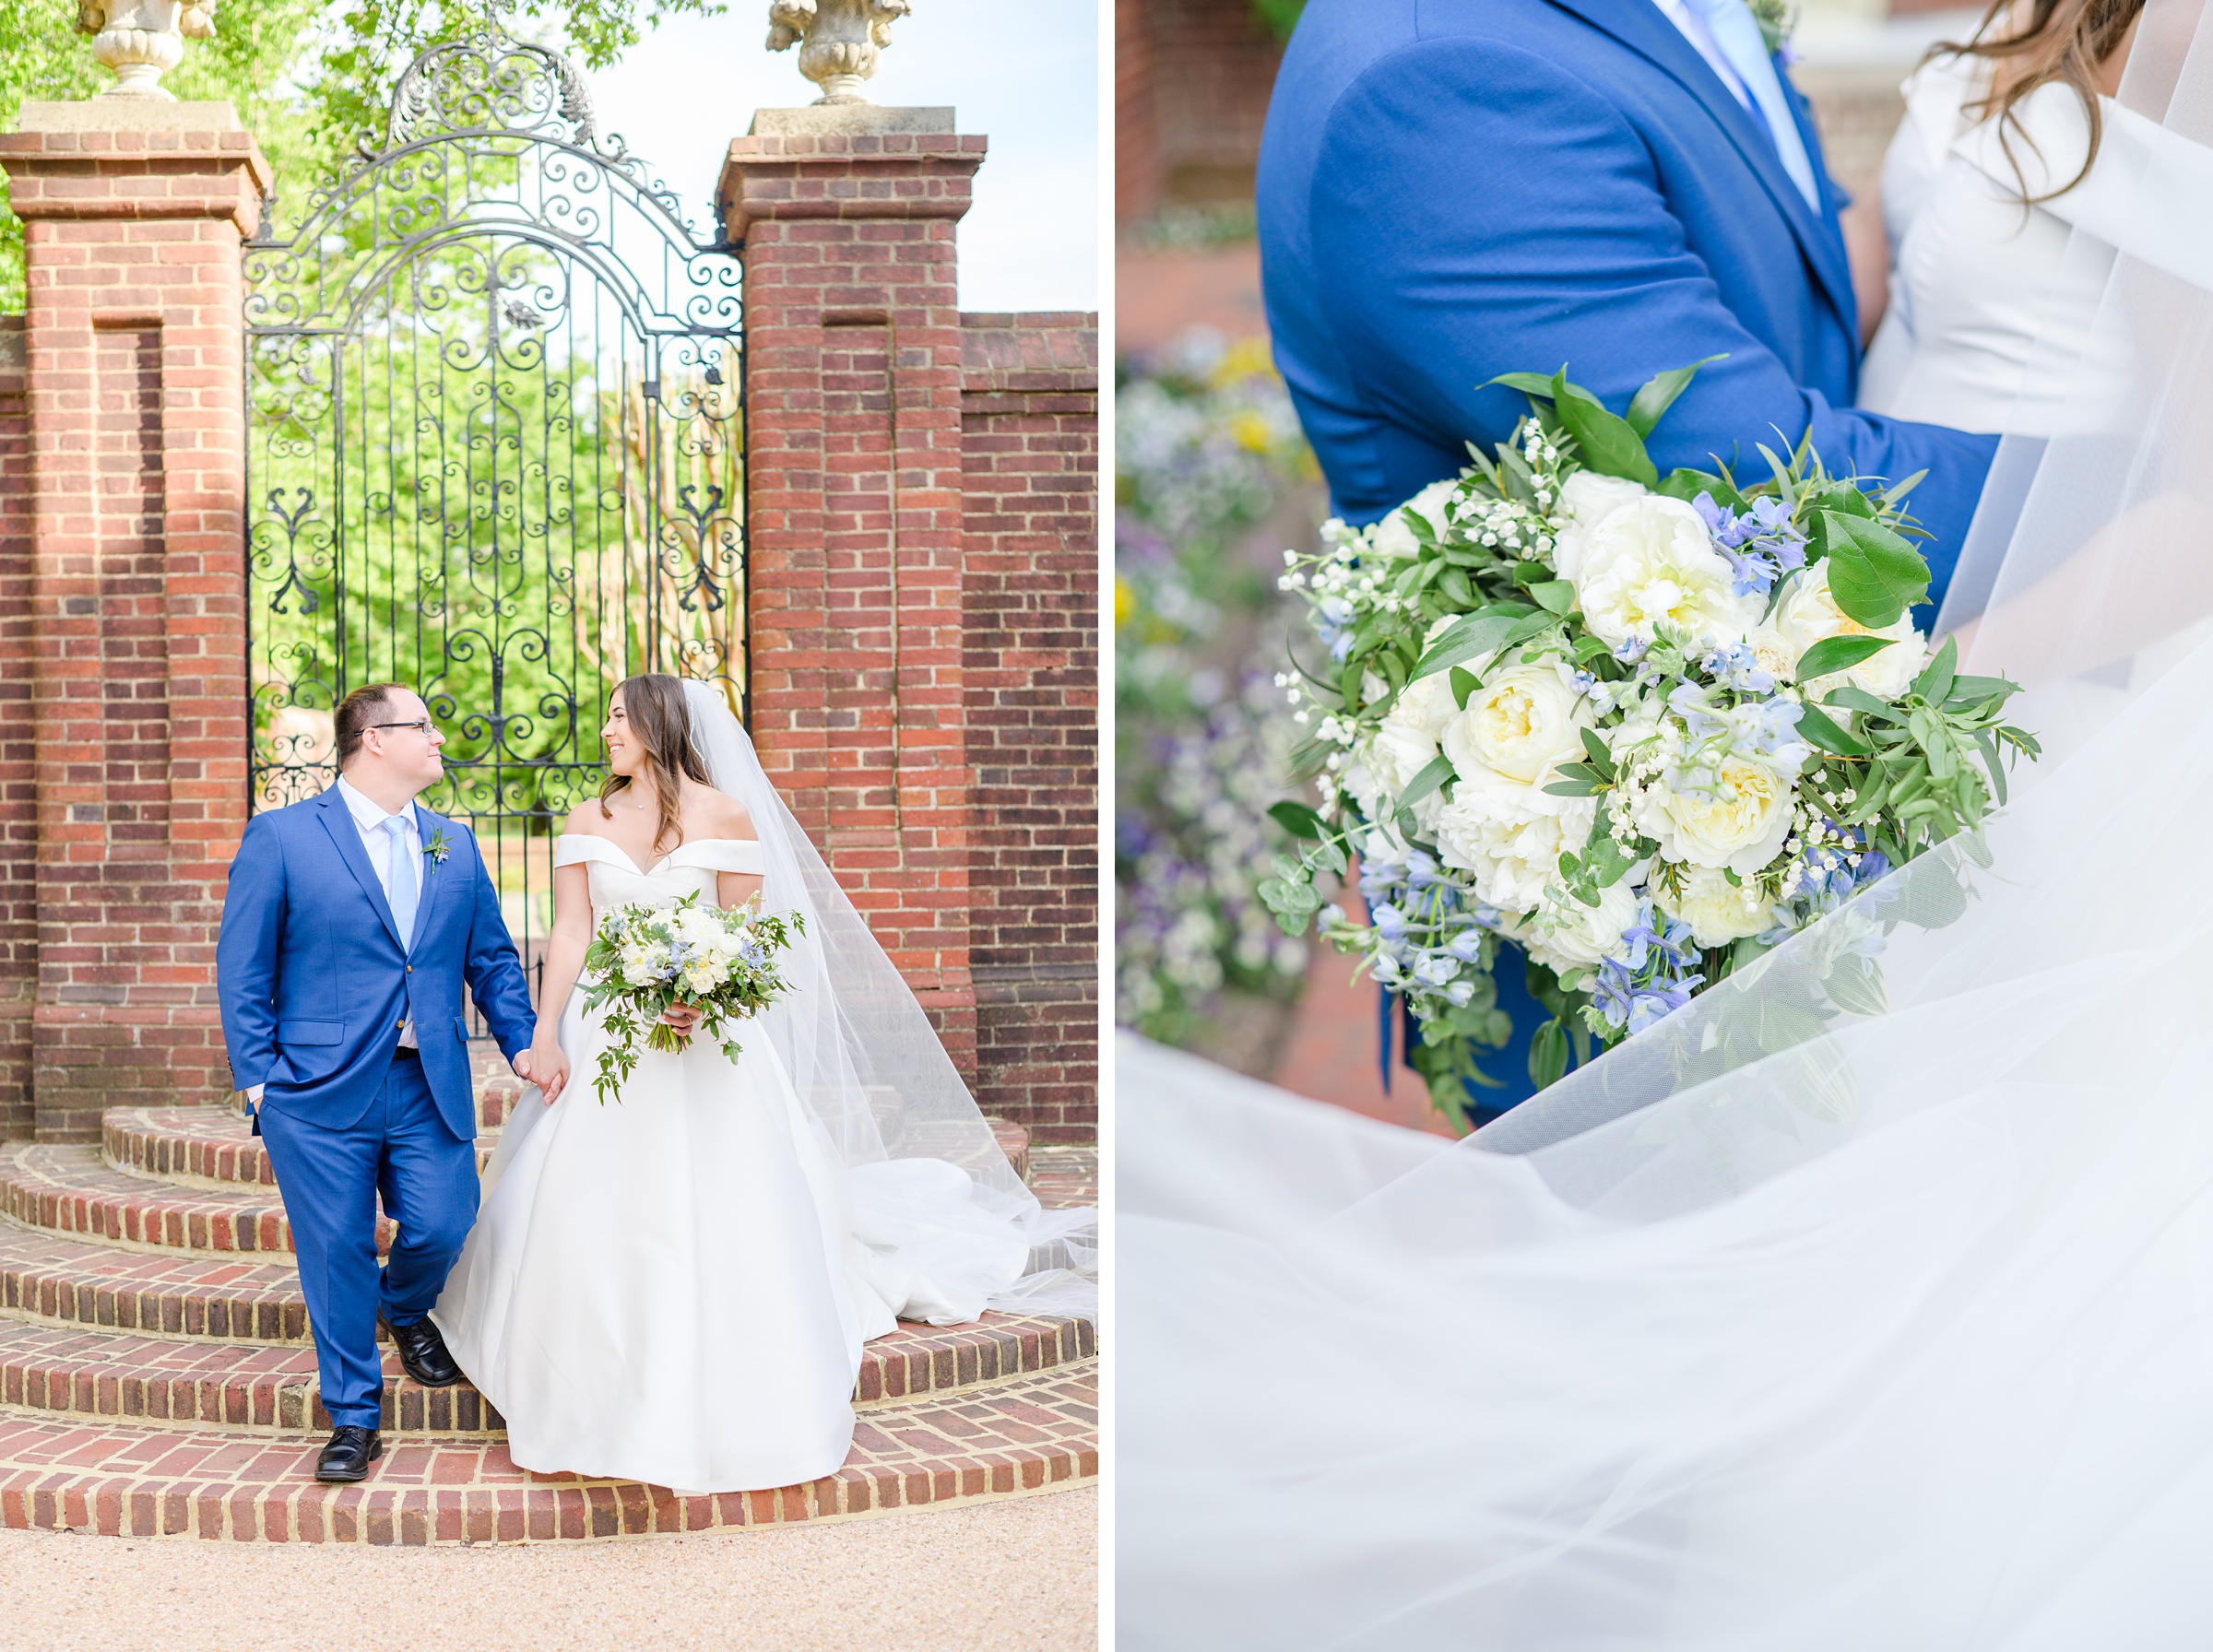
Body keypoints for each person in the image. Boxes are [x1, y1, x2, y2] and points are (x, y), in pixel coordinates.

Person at [1120, 1, 2213, 1644]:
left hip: (1994, 726)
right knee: (1727, 1397)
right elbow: (1765, 478)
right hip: (1741, 815)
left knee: (1900, 1359)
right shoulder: (1446, 82)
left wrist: (2115, 551)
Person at [1256, 0, 2006, 1113]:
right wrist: (2144, 470)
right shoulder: (1437, 88)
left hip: (1819, 835)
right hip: (1631, 954)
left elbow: (1778, 271)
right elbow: (1773, 484)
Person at [434, 676, 1092, 1493]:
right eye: (606, 716)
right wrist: (544, 1033)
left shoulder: (725, 815)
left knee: (722, 1197)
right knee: (589, 1196)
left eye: (618, 716)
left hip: (704, 1041)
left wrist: (700, 998)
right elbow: (572, 933)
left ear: (657, 725)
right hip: (606, 1032)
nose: (606, 730)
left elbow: (745, 939)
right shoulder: (586, 820)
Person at [216, 683, 558, 1482]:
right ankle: (355, 1418)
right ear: (373, 739)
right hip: (315, 1088)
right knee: (335, 1248)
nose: (439, 739)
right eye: (423, 727)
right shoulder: (283, 838)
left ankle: (403, 1309)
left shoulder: (454, 843)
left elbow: (492, 960)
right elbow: (243, 969)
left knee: (445, 1222)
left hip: (424, 1078)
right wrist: (260, 1083)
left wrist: (523, 1045)